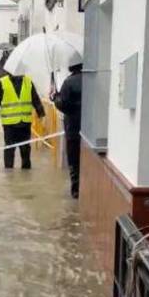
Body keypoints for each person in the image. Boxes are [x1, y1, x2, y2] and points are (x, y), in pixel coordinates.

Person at [0, 74, 46, 169]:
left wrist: (41, 113)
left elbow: (35, 99)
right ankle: (9, 173)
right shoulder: (3, 82)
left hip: (24, 122)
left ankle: (25, 172)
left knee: (25, 148)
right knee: (10, 148)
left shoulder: (28, 81)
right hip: (9, 123)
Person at [54, 63, 84, 198]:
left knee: (74, 160)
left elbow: (64, 105)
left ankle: (76, 190)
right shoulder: (92, 80)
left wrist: (55, 98)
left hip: (73, 128)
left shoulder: (69, 82)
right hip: (90, 129)